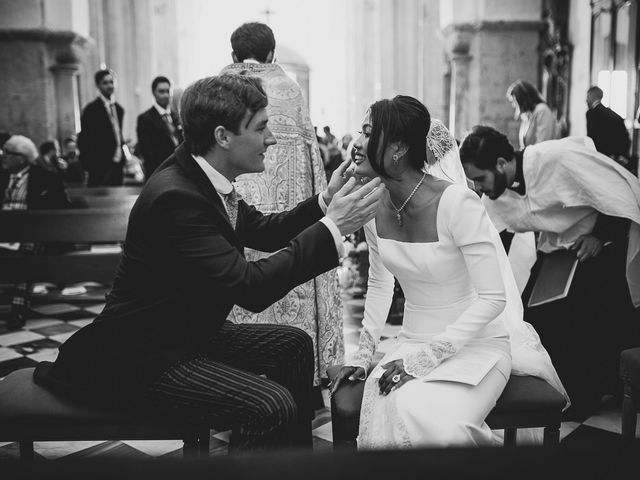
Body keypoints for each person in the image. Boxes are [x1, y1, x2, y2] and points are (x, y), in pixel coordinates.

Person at [33, 74, 385, 452]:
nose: (272, 139)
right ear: (223, 136)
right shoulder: (177, 197)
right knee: (270, 405)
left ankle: (288, 463)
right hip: (144, 355)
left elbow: (262, 230)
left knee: (295, 344)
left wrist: (323, 203)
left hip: (184, 331)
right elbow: (252, 288)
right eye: (262, 127)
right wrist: (333, 228)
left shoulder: (201, 173)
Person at [331, 97, 566, 449]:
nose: (356, 143)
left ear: (397, 148)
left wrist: (427, 359)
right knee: (388, 408)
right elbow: (381, 283)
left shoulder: (458, 203)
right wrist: (364, 356)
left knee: (428, 419)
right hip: (410, 341)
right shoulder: (373, 203)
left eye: (367, 133)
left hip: (478, 346)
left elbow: (493, 299)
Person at [460, 126, 640, 420]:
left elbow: (619, 191)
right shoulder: (495, 193)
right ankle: (556, 393)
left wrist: (599, 236)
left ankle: (587, 394)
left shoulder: (556, 158)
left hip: (601, 242)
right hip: (556, 250)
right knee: (533, 318)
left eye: (481, 178)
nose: (480, 188)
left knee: (585, 316)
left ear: (502, 164)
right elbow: (493, 243)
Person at [219, 22, 343, 387]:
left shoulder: (216, 92)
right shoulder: (289, 90)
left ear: (233, 55)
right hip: (285, 229)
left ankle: (237, 384)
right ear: (272, 54)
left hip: (235, 230)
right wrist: (324, 205)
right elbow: (313, 165)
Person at [1, 135, 70, 330]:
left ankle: (18, 307)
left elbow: (61, 207)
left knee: (27, 248)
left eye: (8, 153)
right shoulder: (2, 177)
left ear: (22, 157)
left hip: (36, 234)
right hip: (4, 232)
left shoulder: (45, 177)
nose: (3, 156)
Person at [78, 69, 126, 186]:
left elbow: (117, 134)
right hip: (99, 165)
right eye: (105, 83)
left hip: (118, 164)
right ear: (98, 85)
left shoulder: (119, 109)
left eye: (112, 82)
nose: (110, 85)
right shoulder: (91, 110)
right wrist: (89, 165)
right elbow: (85, 139)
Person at [136, 76, 183, 180]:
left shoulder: (178, 117)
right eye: (161, 91)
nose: (166, 95)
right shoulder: (145, 119)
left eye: (168, 91)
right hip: (157, 173)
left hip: (179, 173)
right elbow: (146, 152)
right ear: (154, 93)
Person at [586, 85, 631, 169]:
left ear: (593, 96)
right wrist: (621, 155)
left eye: (588, 96)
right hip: (614, 157)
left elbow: (592, 137)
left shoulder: (591, 113)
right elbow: (624, 137)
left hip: (599, 157)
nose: (586, 100)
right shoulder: (614, 116)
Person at [506, 80, 559, 149]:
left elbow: (542, 143)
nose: (514, 105)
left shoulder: (542, 110)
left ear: (523, 98)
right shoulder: (527, 116)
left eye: (515, 101)